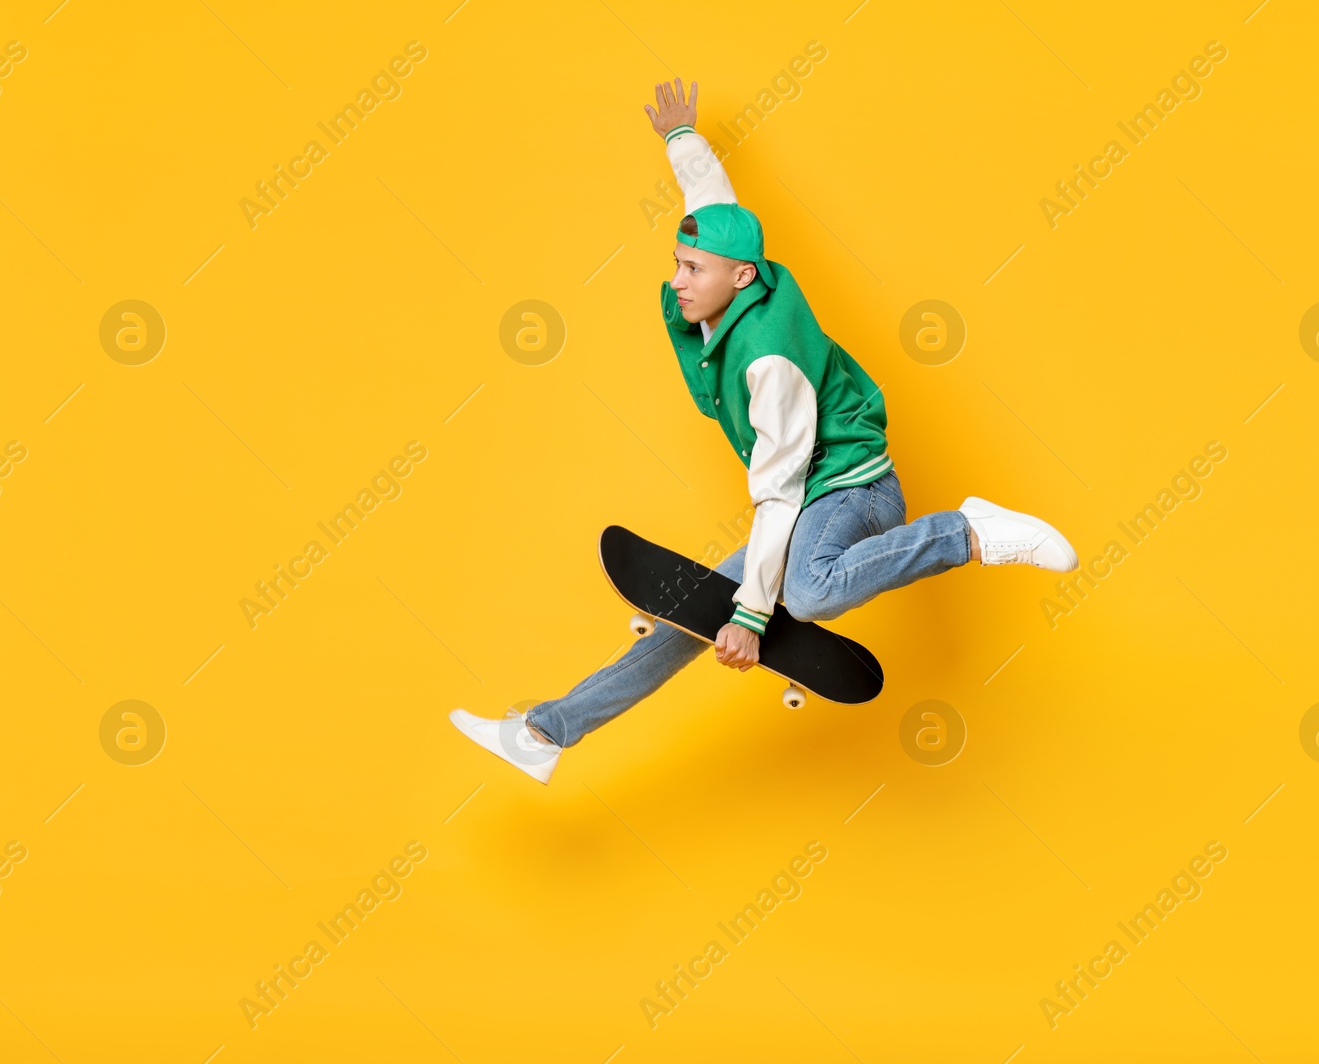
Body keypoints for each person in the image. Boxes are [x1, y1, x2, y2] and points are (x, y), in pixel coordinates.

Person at [450, 79, 1078, 784]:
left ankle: (964, 533)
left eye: (693, 269)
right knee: (689, 615)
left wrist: (753, 617)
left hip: (854, 491)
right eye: (677, 264)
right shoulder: (730, 267)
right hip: (810, 495)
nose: (679, 281)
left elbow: (778, 493)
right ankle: (547, 731)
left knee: (805, 592)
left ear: (739, 276)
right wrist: (681, 138)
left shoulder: (771, 363)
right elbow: (711, 199)